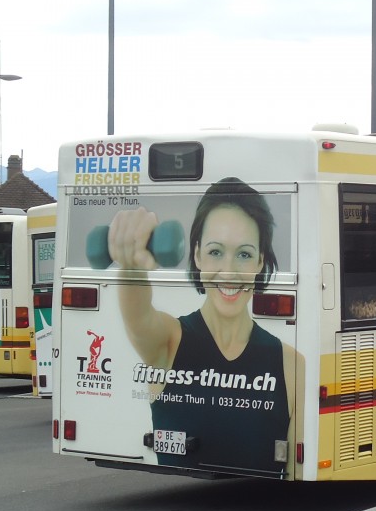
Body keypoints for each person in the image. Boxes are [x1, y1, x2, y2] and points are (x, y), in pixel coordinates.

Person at [108, 177, 302, 474]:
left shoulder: (291, 365)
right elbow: (138, 316)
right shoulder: (169, 341)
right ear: (197, 254)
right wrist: (131, 266)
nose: (229, 271)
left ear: (260, 261)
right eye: (215, 252)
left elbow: (295, 474)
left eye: (244, 254)